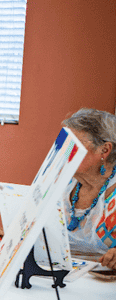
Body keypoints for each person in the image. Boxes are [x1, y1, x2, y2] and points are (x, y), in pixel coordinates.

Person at [62, 109, 116, 268]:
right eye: (66, 142)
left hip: (104, 284)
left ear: (105, 150)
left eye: (74, 145)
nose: (65, 151)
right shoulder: (62, 183)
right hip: (55, 278)